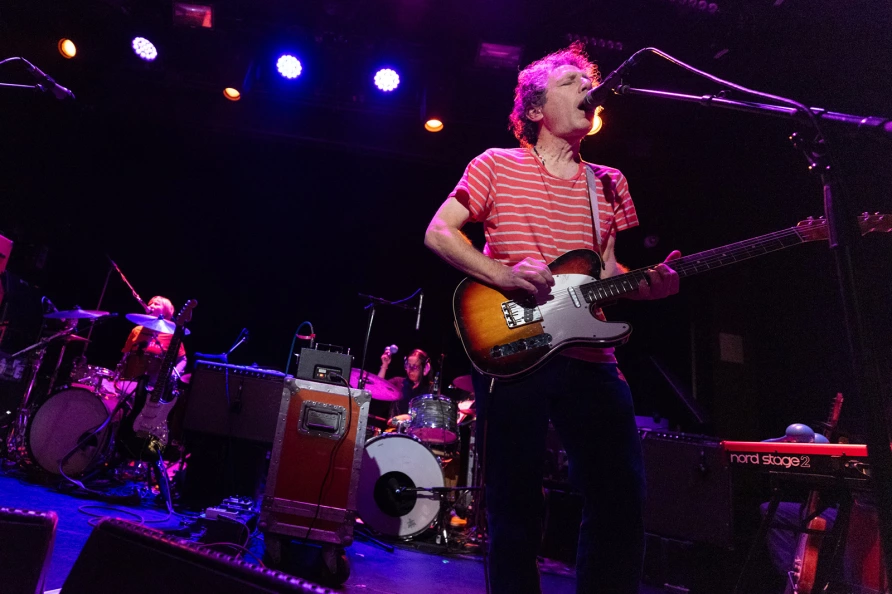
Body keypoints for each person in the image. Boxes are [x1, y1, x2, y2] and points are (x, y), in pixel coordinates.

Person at [424, 42, 680, 594]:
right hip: (516, 347)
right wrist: (503, 274)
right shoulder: (495, 164)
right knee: (514, 504)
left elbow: (608, 269)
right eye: (570, 82)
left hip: (593, 355)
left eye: (586, 82)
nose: (587, 89)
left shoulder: (609, 182)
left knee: (620, 499)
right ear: (536, 110)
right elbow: (440, 232)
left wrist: (651, 287)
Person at [120, 295, 187, 382]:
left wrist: (173, 375)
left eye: (156, 304)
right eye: (150, 304)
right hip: (129, 381)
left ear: (166, 311)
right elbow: (125, 355)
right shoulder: (136, 330)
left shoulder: (171, 335)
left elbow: (182, 359)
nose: (151, 306)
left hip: (155, 384)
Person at [377, 347, 433, 418]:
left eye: (415, 367)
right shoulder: (398, 382)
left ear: (425, 368)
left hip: (417, 429)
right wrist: (384, 365)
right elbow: (378, 388)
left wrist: (407, 418)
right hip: (394, 428)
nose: (410, 370)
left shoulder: (430, 389)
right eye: (408, 366)